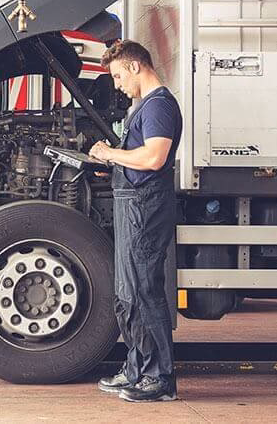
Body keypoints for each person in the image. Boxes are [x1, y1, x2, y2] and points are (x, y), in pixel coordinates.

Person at [88, 39, 182, 403]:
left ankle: (160, 379)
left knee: (144, 291)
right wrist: (112, 165)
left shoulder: (158, 106)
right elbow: (138, 158)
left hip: (145, 207)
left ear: (134, 66)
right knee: (128, 294)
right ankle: (138, 369)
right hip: (133, 205)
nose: (117, 84)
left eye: (117, 75)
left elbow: (155, 157)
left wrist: (111, 153)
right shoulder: (144, 107)